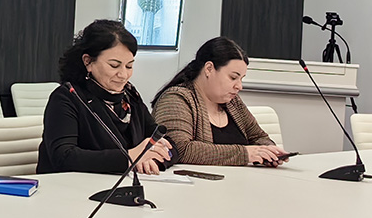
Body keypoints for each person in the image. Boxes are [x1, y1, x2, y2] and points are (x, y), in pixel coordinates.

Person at [37, 19, 173, 175]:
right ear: (88, 62)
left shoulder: (130, 95)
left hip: (121, 184)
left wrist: (151, 159)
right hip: (70, 186)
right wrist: (130, 157)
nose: (123, 75)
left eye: (129, 66)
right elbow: (64, 157)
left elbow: (166, 144)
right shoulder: (67, 97)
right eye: (114, 65)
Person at [153, 37, 288, 166]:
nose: (239, 86)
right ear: (209, 69)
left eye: (241, 79)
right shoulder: (175, 99)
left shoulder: (233, 102)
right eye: (233, 77)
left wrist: (269, 151)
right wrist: (245, 154)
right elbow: (180, 150)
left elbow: (259, 137)